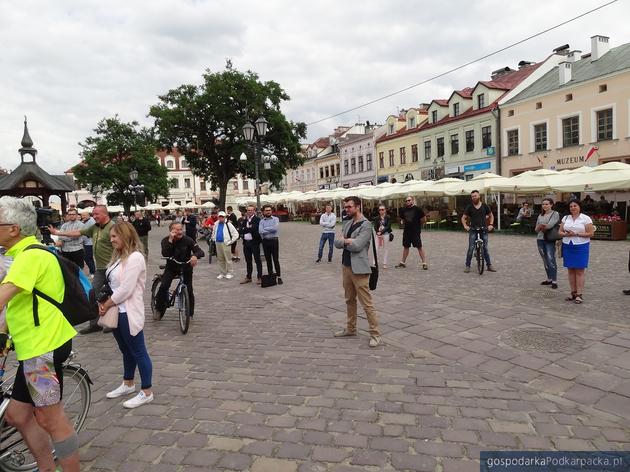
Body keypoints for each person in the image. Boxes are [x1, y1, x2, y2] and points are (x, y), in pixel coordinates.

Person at [0, 196, 80, 471]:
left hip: (41, 351)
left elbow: (1, 297)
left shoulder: (29, 257)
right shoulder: (25, 253)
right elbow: (17, 305)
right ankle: (46, 468)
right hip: (34, 347)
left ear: (13, 229)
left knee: (50, 419)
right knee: (18, 415)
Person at [98, 222, 154, 408]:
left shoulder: (135, 257)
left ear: (126, 236)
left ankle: (147, 391)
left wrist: (106, 303)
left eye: (115, 236)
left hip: (128, 311)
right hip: (116, 310)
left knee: (138, 351)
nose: (111, 239)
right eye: (111, 236)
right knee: (125, 350)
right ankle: (128, 383)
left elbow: (126, 289)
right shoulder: (118, 257)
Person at [50, 204, 114, 334]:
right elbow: (78, 233)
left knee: (115, 295)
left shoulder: (113, 227)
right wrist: (58, 233)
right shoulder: (95, 227)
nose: (94, 216)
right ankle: (95, 324)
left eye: (96, 214)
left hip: (113, 268)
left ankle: (114, 323)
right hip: (101, 269)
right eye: (93, 214)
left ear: (105, 214)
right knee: (93, 294)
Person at [333, 196, 381, 348]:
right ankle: (351, 328)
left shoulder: (366, 225)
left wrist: (346, 241)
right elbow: (336, 242)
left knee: (367, 304)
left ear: (358, 207)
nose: (346, 209)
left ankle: (375, 334)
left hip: (359, 269)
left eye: (349, 207)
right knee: (349, 300)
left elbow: (358, 246)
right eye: (345, 207)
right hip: (346, 266)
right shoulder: (347, 222)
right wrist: (347, 241)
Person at [155, 222, 204, 318]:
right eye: (176, 230)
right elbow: (165, 254)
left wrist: (195, 256)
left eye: (181, 229)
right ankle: (159, 308)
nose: (179, 231)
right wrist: (170, 240)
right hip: (171, 267)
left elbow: (200, 251)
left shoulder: (188, 240)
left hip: (185, 267)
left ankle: (190, 314)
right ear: (171, 231)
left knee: (189, 289)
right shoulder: (165, 240)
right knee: (164, 286)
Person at [559, 200, 594, 304]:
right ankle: (573, 292)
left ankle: (579, 294)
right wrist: (566, 234)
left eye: (575, 206)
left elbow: (590, 233)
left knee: (579, 270)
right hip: (568, 244)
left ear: (579, 207)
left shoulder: (585, 218)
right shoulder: (566, 218)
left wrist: (577, 234)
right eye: (571, 206)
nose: (573, 208)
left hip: (581, 245)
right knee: (570, 270)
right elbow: (560, 231)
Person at [461, 190, 495, 273]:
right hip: (473, 230)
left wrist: (491, 224)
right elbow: (463, 218)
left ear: (479, 196)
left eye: (475, 196)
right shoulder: (469, 206)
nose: (474, 197)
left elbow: (491, 215)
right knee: (471, 248)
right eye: (472, 196)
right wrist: (465, 226)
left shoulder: (484, 206)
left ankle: (489, 265)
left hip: (484, 229)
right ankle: (467, 265)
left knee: (485, 248)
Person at [395, 196, 428, 270]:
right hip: (407, 231)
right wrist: (403, 223)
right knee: (406, 246)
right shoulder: (403, 210)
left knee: (419, 246)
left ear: (412, 200)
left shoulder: (418, 209)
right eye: (406, 201)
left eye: (409, 200)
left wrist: (418, 224)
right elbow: (402, 219)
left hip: (415, 231)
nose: (407, 202)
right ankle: (402, 262)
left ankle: (424, 263)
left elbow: (424, 219)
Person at [534, 198, 560, 289]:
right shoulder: (540, 215)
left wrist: (541, 226)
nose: (545, 206)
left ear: (551, 205)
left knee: (551, 259)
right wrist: (541, 226)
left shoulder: (555, 214)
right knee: (545, 259)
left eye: (547, 204)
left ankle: (554, 280)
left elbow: (550, 225)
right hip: (540, 239)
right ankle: (549, 279)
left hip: (549, 239)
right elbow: (536, 229)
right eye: (543, 204)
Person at [238, 205, 262, 285]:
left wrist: (246, 229)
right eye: (248, 210)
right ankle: (248, 277)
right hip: (246, 243)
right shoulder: (245, 220)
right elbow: (240, 230)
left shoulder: (257, 219)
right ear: (246, 211)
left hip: (254, 242)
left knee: (257, 260)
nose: (249, 211)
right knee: (248, 261)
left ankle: (260, 277)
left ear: (254, 211)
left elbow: (255, 229)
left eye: (251, 210)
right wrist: (247, 229)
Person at [211, 211, 239, 280]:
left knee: (228, 259)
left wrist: (230, 241)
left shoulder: (228, 224)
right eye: (219, 217)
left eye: (222, 217)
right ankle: (222, 272)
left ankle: (230, 272)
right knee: (220, 259)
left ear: (225, 217)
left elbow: (236, 234)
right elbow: (214, 232)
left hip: (225, 243)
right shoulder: (216, 224)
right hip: (218, 243)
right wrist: (213, 238)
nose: (221, 218)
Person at [259, 205, 283, 285]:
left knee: (276, 259)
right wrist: (270, 229)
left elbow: (275, 229)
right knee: (268, 260)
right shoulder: (261, 221)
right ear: (263, 212)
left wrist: (266, 229)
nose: (268, 211)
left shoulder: (276, 219)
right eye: (266, 210)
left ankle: (279, 276)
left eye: (269, 210)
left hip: (274, 241)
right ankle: (271, 276)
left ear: (271, 211)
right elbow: (260, 231)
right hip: (265, 242)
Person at [80, 211, 96, 276]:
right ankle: (93, 271)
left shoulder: (91, 222)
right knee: (90, 258)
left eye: (84, 215)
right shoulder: (85, 221)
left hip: (90, 243)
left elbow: (92, 232)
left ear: (88, 215)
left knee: (87, 258)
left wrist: (87, 235)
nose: (82, 217)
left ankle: (93, 272)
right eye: (82, 215)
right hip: (86, 243)